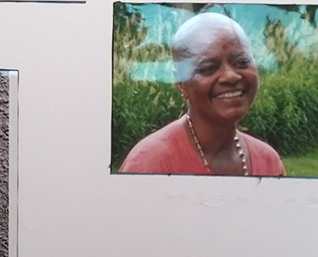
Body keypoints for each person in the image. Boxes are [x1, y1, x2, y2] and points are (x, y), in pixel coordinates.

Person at [119, 13, 284, 177]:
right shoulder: (150, 164)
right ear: (182, 83)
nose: (230, 76)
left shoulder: (268, 161)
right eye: (208, 68)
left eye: (241, 62)